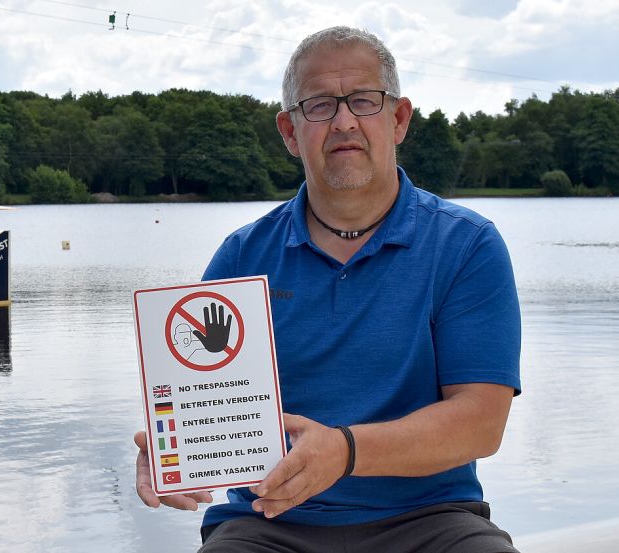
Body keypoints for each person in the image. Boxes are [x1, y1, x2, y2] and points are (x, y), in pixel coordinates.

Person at [134, 26, 521, 552]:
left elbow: (481, 422)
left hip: (431, 520)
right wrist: (174, 451)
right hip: (270, 522)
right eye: (317, 106)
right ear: (290, 132)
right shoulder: (242, 257)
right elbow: (201, 409)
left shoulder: (466, 245)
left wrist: (344, 451)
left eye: (363, 100)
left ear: (399, 118)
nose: (344, 121)